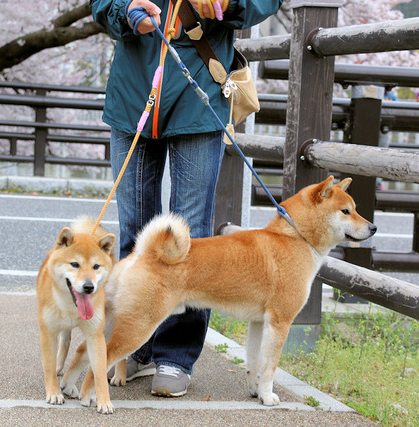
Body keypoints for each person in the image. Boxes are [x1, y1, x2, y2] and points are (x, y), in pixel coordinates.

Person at [90, 0, 283, 397]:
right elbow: (101, 4)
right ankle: (135, 344)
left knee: (191, 238)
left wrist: (232, 3)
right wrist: (125, 10)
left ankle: (176, 356)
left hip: (199, 90)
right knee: (134, 232)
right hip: (133, 92)